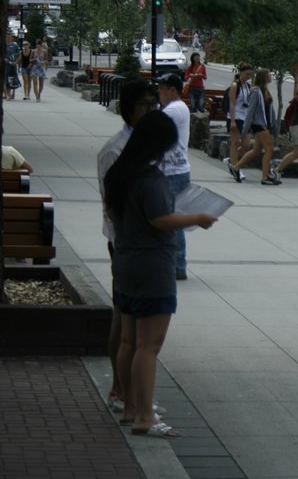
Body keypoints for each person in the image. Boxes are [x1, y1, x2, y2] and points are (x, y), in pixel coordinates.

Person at [104, 110, 217, 437]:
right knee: (148, 346)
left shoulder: (118, 174)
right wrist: (197, 217)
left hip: (124, 260)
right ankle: (144, 416)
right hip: (152, 264)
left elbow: (111, 213)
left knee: (128, 340)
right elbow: (161, 219)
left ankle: (128, 408)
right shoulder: (150, 178)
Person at [97, 79, 160, 416]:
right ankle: (121, 391)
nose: (152, 111)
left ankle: (132, 391)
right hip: (125, 243)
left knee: (137, 320)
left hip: (147, 242)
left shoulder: (147, 145)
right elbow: (114, 207)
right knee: (125, 319)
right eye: (145, 105)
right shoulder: (115, 150)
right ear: (128, 108)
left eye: (155, 104)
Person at [157, 74, 192, 280]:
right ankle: (175, 263)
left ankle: (178, 264)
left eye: (161, 89)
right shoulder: (178, 109)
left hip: (173, 172)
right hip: (174, 170)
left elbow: (152, 124)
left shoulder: (175, 109)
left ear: (172, 90)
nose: (159, 93)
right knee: (172, 220)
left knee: (172, 221)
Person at [232, 68, 280, 185]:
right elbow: (250, 112)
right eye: (269, 75)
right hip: (259, 125)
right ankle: (265, 177)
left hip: (266, 125)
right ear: (264, 77)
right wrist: (244, 130)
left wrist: (273, 125)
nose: (271, 76)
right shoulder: (255, 91)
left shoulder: (265, 90)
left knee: (256, 150)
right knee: (269, 149)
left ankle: (236, 167)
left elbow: (270, 110)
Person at [223, 63, 253, 181]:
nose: (248, 76)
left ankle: (231, 160)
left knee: (247, 144)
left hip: (244, 117)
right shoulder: (235, 85)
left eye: (250, 74)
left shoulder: (248, 86)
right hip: (235, 116)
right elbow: (232, 103)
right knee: (235, 143)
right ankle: (236, 169)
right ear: (240, 73)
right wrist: (233, 121)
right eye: (246, 74)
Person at [3, 33, 20, 100]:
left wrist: (16, 62)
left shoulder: (15, 46)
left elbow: (19, 55)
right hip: (5, 64)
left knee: (11, 79)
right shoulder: (4, 45)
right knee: (5, 79)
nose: (8, 38)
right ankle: (7, 94)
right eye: (7, 37)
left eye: (9, 37)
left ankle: (9, 94)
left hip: (12, 64)